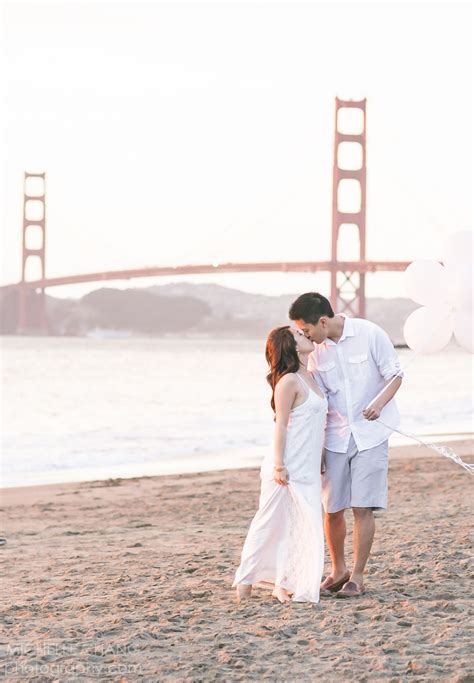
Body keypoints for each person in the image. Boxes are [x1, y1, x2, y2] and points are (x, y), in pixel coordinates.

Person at [289, 292, 403, 598]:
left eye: (306, 329)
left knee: (363, 507)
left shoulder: (370, 333)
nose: (305, 335)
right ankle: (338, 570)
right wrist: (320, 445)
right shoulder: (317, 354)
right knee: (333, 508)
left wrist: (379, 404)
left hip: (371, 434)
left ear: (322, 321)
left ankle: (357, 576)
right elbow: (322, 403)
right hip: (336, 438)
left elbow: (395, 374)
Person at [232, 326, 328, 603]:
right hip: (285, 466)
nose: (307, 335)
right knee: (269, 521)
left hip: (307, 466)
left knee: (299, 525)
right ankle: (245, 580)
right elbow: (281, 425)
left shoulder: (310, 376)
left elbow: (315, 424)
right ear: (291, 346)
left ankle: (282, 582)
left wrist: (320, 452)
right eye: (299, 334)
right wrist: (278, 465)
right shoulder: (288, 382)